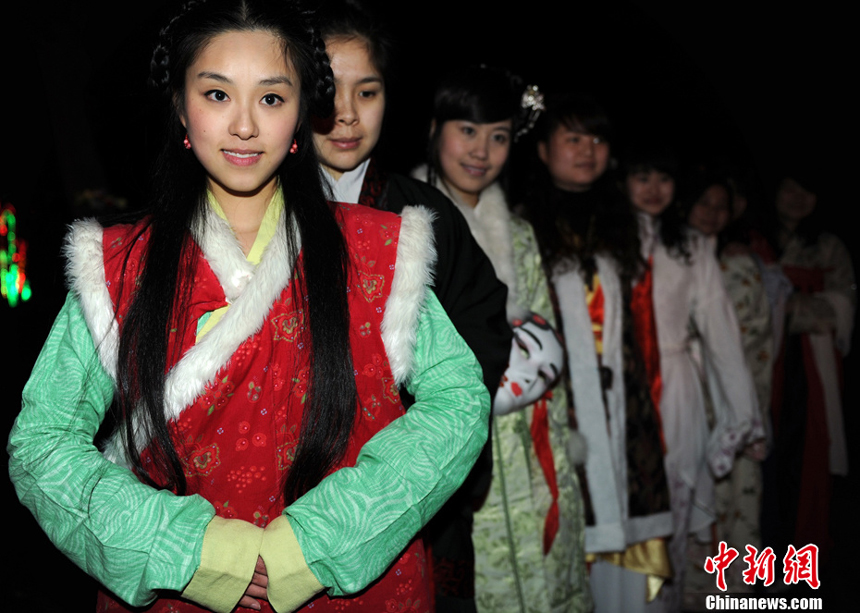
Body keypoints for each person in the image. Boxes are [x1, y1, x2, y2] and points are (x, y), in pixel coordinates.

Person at [7, 2, 490, 613]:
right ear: (181, 107)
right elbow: (42, 442)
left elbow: (459, 399)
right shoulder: (117, 266)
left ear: (299, 115)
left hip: (356, 591)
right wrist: (191, 549)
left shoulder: (379, 251)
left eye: (270, 98)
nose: (244, 126)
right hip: (177, 595)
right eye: (216, 95)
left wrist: (317, 540)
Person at [312, 3, 511, 610]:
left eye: (367, 92)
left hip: (409, 481)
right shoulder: (254, 208)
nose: (346, 115)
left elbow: (481, 327)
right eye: (328, 92)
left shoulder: (423, 214)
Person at [413, 66, 591, 613]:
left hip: (533, 444)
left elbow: (544, 329)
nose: (482, 151)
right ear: (436, 128)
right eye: (467, 130)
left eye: (497, 136)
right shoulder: (405, 222)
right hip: (459, 445)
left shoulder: (516, 230)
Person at [522, 95, 672, 613]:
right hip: (559, 407)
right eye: (573, 138)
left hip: (627, 405)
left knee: (629, 517)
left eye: (598, 139)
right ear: (542, 149)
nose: (588, 150)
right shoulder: (521, 225)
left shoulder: (628, 224)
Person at [623, 148, 763, 612]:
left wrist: (743, 415)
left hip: (676, 387)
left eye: (663, 177)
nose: (653, 188)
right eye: (641, 175)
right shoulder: (603, 238)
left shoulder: (692, 245)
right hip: (616, 385)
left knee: (675, 507)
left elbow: (723, 335)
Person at [752, 174, 855, 561]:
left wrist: (789, 308)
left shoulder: (828, 247)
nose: (798, 199)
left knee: (807, 452)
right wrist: (789, 306)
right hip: (762, 361)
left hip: (812, 367)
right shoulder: (752, 240)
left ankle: (798, 552)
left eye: (809, 190)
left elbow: (841, 306)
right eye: (791, 187)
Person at [682, 170, 773, 598]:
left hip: (733, 408)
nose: (713, 214)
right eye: (704, 203)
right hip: (689, 405)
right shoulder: (677, 254)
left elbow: (740, 340)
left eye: (722, 206)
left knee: (735, 502)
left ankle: (728, 593)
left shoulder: (736, 263)